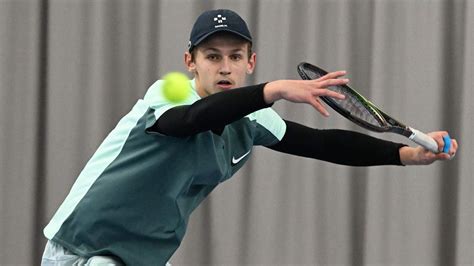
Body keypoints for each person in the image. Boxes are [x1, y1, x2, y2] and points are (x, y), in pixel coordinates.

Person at [41, 9, 458, 266]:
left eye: (235, 57)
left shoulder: (251, 119)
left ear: (250, 61)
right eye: (213, 56)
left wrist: (405, 154)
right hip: (83, 251)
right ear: (191, 62)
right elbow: (191, 121)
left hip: (142, 257)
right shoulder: (168, 93)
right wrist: (272, 91)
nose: (225, 67)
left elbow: (323, 144)